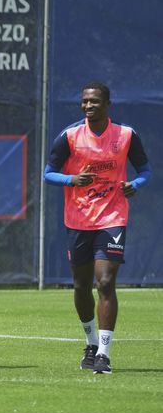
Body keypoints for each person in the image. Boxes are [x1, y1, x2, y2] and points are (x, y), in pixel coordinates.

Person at [44, 82, 151, 375]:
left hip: (112, 217)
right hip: (78, 220)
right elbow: (48, 173)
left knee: (104, 282)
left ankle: (104, 353)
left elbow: (145, 170)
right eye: (84, 102)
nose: (88, 106)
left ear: (107, 104)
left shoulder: (126, 135)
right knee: (81, 286)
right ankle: (90, 343)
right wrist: (71, 180)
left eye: (94, 101)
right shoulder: (69, 136)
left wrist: (135, 185)